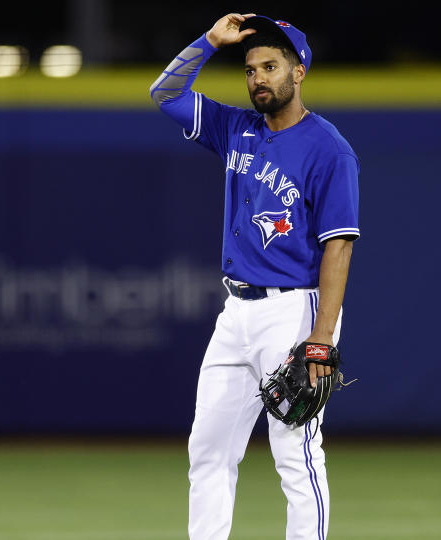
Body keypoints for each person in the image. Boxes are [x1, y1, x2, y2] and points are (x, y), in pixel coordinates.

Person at [148, 13, 360, 540]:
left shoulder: (329, 149)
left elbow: (338, 245)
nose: (258, 77)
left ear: (299, 72)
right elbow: (164, 92)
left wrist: (321, 336)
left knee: (296, 456)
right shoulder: (235, 128)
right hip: (235, 313)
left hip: (294, 311)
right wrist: (206, 42)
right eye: (249, 69)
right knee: (209, 451)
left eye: (271, 65)